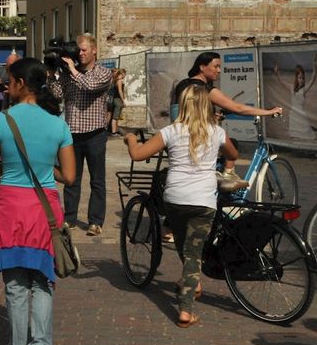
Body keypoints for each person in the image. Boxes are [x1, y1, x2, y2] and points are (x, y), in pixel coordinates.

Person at [0, 57, 75, 345]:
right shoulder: (58, 124)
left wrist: (10, 169)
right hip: (44, 210)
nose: (6, 86)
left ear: (21, 83)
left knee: (16, 285)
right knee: (43, 281)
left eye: (9, 81)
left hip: (11, 207)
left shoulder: (1, 121)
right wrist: (44, 168)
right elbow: (71, 175)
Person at [125, 85, 237, 328]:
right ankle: (186, 308)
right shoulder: (216, 132)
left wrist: (131, 138)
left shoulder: (171, 131)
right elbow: (233, 152)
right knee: (193, 253)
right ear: (207, 106)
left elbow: (137, 154)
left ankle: (191, 286)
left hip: (175, 199)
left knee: (183, 244)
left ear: (182, 105)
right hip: (203, 202)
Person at [170, 51, 280, 187]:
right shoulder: (204, 89)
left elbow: (186, 111)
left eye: (220, 67)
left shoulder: (183, 85)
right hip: (198, 138)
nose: (219, 70)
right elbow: (238, 108)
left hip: (179, 135)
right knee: (232, 145)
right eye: (216, 66)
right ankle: (228, 176)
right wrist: (268, 112)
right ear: (202, 67)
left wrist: (211, 116)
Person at [49, 34, 111, 237]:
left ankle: (95, 221)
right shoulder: (69, 73)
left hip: (94, 133)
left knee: (97, 180)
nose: (80, 53)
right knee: (71, 179)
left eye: (84, 50)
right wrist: (55, 73)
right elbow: (57, 95)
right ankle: (70, 218)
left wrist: (73, 70)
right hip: (72, 133)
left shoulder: (103, 72)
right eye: (79, 50)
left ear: (94, 51)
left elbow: (90, 86)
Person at [273, 56, 317, 141]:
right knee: (294, 135)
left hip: (301, 115)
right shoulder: (291, 88)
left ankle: (313, 128)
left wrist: (314, 67)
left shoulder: (304, 89)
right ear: (296, 78)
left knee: (310, 135)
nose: (302, 80)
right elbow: (281, 82)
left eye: (303, 78)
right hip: (293, 116)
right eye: (300, 78)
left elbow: (313, 78)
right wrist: (277, 73)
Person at [109, 68, 127, 135]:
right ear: (122, 73)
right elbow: (120, 91)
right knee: (115, 117)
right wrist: (123, 100)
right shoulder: (119, 81)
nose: (125, 75)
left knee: (116, 117)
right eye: (125, 74)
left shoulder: (115, 80)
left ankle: (115, 131)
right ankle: (113, 132)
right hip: (117, 100)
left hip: (116, 99)